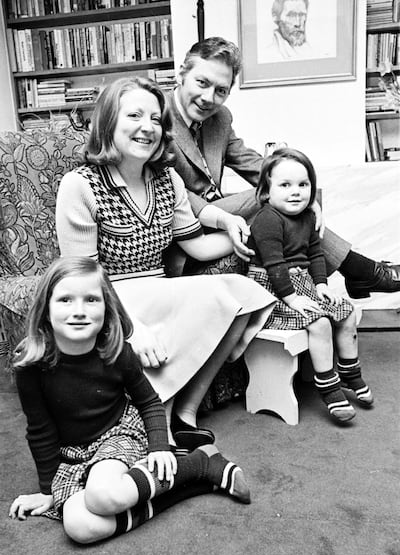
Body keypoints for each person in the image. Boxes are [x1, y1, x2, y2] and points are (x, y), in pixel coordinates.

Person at [55, 76, 276, 449]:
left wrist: (254, 236)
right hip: (110, 295)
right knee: (210, 297)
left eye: (156, 119)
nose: (148, 127)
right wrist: (129, 328)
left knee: (242, 292)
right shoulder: (80, 185)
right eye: (135, 115)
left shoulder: (167, 179)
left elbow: (198, 248)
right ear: (108, 121)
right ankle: (158, 424)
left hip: (158, 285)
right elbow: (82, 279)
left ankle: (185, 412)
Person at [8, 257, 251, 544]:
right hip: (72, 453)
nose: (79, 311)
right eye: (65, 300)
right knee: (80, 527)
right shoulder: (30, 366)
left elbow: (149, 402)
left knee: (102, 497)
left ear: (107, 309)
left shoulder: (117, 352)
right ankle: (194, 479)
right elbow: (40, 430)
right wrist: (47, 490)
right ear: (46, 310)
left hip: (119, 433)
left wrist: (159, 447)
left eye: (91, 300)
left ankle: (198, 464)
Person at [166, 36, 400, 298]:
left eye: (221, 90)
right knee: (276, 196)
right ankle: (362, 271)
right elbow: (172, 192)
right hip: (184, 222)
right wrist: (290, 190)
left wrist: (302, 191)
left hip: (220, 219)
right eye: (202, 83)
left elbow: (250, 162)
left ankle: (353, 274)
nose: (209, 98)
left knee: (292, 188)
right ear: (182, 74)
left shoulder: (220, 118)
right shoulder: (156, 117)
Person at [247, 148, 373, 424]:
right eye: (285, 185)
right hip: (270, 290)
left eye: (303, 185)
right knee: (319, 323)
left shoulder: (308, 218)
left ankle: (349, 371)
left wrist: (321, 285)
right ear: (266, 191)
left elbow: (315, 255)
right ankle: (328, 386)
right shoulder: (267, 219)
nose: (296, 192)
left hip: (300, 283)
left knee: (346, 311)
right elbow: (274, 265)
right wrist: (292, 300)